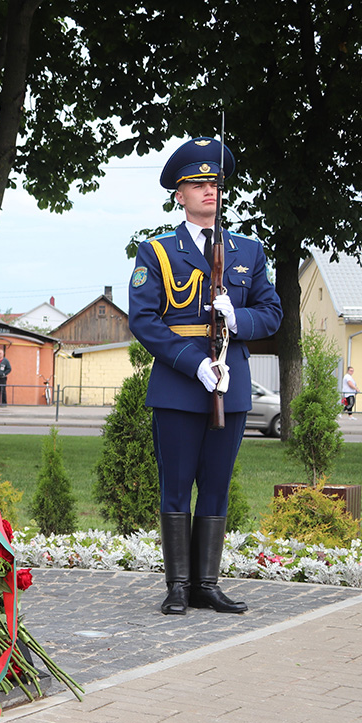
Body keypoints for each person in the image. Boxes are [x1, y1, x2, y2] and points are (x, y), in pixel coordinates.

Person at [128, 137, 282, 616]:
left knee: (215, 484)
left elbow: (271, 313)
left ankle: (206, 585)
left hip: (229, 385)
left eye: (214, 183)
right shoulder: (156, 251)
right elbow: (144, 320)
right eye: (197, 184)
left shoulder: (248, 252)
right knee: (176, 485)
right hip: (179, 384)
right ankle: (177, 586)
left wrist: (236, 318)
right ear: (179, 194)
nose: (209, 191)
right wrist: (194, 362)